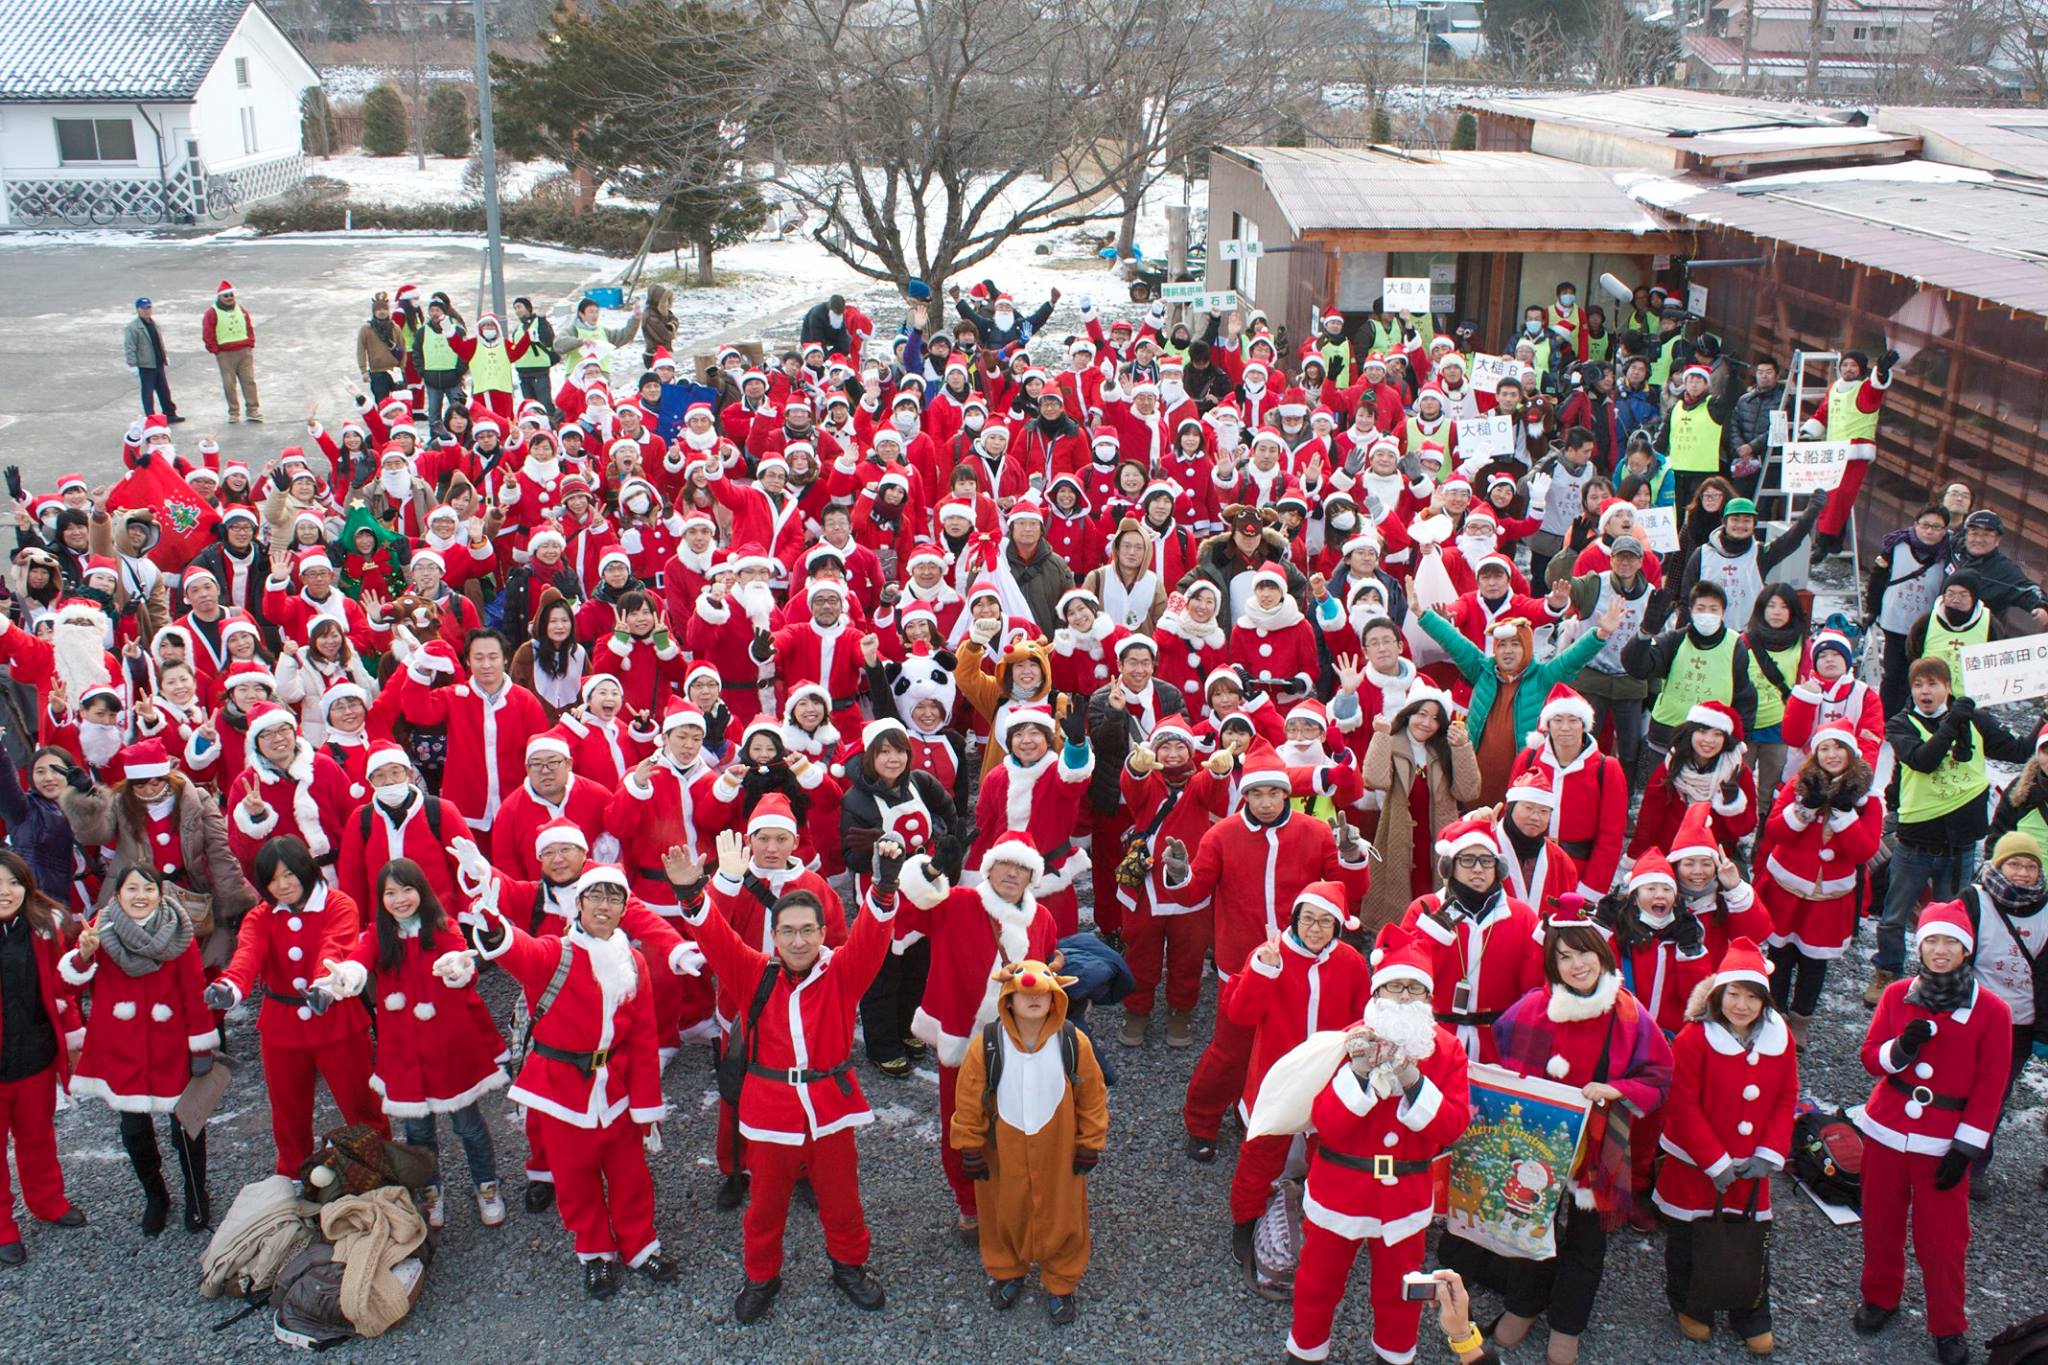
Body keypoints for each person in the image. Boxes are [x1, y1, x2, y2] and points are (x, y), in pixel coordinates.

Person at [669, 831, 901, 1323]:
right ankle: (761, 1275)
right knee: (765, 1206)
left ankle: (849, 1266)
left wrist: (883, 888)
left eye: (808, 930)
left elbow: (873, 935)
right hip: (769, 1108)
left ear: (822, 933)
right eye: (788, 931)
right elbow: (715, 937)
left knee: (841, 1198)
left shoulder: (842, 973)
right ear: (774, 937)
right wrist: (692, 893)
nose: (799, 941)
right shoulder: (755, 972)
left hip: (830, 1108)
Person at [1437, 908, 1673, 1365]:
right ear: (1552, 963)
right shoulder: (1532, 1008)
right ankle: (1524, 1305)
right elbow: (1503, 1058)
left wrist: (1618, 1089)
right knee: (1530, 1226)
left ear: (1602, 954)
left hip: (1599, 1147)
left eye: (1584, 952)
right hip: (1537, 1146)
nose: (1576, 964)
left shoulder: (1630, 1014)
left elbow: (1661, 1076)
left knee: (1587, 1239)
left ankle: (1568, 1324)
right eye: (1564, 956)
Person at [472, 860, 679, 1297]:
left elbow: (643, 1038)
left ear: (625, 908)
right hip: (561, 1092)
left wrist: (647, 1105)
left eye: (614, 898)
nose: (604, 906)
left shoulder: (634, 960)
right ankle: (595, 1253)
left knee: (631, 1175)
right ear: (578, 904)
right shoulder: (555, 952)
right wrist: (493, 927)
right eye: (595, 897)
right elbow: (516, 950)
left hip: (617, 1090)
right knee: (575, 1179)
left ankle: (640, 1245)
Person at [1272, 923, 1473, 1365]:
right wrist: (1359, 1074)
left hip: (1405, 1197)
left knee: (1402, 1291)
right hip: (1340, 1188)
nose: (1404, 997)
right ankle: (1305, 1352)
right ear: (1377, 994)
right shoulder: (1348, 1043)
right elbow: (1326, 1122)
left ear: (1429, 999)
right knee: (1317, 1282)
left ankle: (1395, 1356)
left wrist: (1412, 1080)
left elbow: (1451, 1127)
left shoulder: (1447, 1051)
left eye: (1414, 989)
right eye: (1395, 987)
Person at [1161, 751, 1371, 1161]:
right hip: (1242, 963)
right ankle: (1202, 1121)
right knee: (1230, 1049)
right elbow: (1194, 892)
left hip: (1303, 960)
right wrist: (1178, 873)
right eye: (1257, 793)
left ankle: (1267, 1114)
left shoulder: (1315, 832)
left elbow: (1348, 893)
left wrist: (1350, 856)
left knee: (1291, 1043)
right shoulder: (1221, 835)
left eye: (1275, 793)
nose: (1267, 802)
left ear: (1287, 794)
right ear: (1246, 795)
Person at [310, 859, 509, 1230]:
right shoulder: (376, 936)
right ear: (380, 899)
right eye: (390, 892)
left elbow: (458, 958)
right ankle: (431, 1192)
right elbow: (357, 961)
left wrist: (457, 968)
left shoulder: (443, 928)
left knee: (468, 1125)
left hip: (448, 1050)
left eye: (407, 889)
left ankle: (486, 1185)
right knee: (418, 1133)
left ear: (422, 891)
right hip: (404, 1053)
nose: (400, 899)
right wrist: (346, 977)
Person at [1854, 901, 2013, 1365]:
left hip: (1943, 1140)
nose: (1939, 951)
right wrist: (1901, 1048)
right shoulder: (1897, 994)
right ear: (1919, 946)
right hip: (1886, 1128)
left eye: (1950, 943)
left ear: (1966, 951)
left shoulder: (1992, 1011)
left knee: (1944, 1240)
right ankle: (1881, 1297)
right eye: (1931, 941)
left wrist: (1966, 1148)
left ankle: (1948, 1324)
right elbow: (1869, 1059)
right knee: (1880, 1223)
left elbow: (1991, 1088)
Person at [204, 837, 385, 1176]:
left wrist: (323, 985)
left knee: (361, 1104)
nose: (282, 885)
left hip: (336, 1019)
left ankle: (379, 1166)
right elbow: (247, 955)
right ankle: (294, 1174)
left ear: (306, 869)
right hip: (282, 1026)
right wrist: (230, 986)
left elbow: (336, 945)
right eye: (272, 879)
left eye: (289, 874)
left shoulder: (338, 904)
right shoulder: (260, 916)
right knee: (288, 1113)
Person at [948, 956, 1110, 1325]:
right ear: (1008, 1000)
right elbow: (969, 1098)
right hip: (1001, 1148)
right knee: (1003, 1209)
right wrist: (970, 1145)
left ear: (1056, 999)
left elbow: (1093, 1096)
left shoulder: (1074, 1042)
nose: (1034, 1000)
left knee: (1065, 1211)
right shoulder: (986, 1046)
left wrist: (1089, 1141)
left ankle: (1061, 1281)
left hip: (1059, 1146)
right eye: (1023, 995)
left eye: (1043, 995)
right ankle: (1007, 1270)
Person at [1656, 937, 1796, 1354]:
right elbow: (1682, 1104)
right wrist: (1714, 1160)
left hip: (1752, 1165)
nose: (1741, 1005)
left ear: (1764, 1001)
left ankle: (1750, 1311)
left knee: (1751, 1238)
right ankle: (1690, 1303)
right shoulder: (1694, 1039)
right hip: (1696, 1165)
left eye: (1752, 997)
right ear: (1719, 994)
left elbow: (1788, 1095)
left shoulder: (1779, 1037)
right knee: (1688, 1236)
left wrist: (1770, 1152)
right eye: (1734, 994)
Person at [60, 864, 214, 1235]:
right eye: (132, 889)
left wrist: (201, 1045)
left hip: (170, 1044)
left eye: (148, 888)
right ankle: (155, 1196)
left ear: (161, 894)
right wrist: (83, 956)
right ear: (118, 895)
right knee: (133, 1129)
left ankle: (197, 1194)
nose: (140, 896)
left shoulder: (179, 931)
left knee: (187, 1126)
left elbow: (194, 991)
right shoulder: (100, 930)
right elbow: (68, 982)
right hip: (122, 1046)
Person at [1870, 658, 2032, 1002]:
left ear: (1947, 686)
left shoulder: (1972, 718)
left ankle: (1938, 980)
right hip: (1915, 841)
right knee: (1894, 914)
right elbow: (1924, 760)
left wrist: (2044, 720)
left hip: (1960, 844)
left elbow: (2019, 751)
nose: (1925, 691)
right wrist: (1953, 722)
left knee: (1951, 919)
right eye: (1918, 685)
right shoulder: (1901, 722)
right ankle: (1887, 973)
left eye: (1932, 683)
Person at [60, 738, 257, 964]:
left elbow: (219, 851)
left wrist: (232, 899)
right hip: (136, 892)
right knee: (138, 954)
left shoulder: (196, 799)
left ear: (167, 778)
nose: (148, 791)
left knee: (191, 955)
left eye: (156, 783)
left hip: (188, 889)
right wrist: (87, 798)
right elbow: (96, 835)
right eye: (140, 786)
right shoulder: (120, 802)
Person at [840, 719, 964, 1077]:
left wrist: (946, 843)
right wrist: (880, 849)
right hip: (884, 895)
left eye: (899, 751)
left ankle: (909, 1028)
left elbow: (949, 810)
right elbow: (850, 858)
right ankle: (883, 1044)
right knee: (882, 972)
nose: (893, 759)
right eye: (884, 752)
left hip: (924, 891)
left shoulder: (922, 783)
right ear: (870, 756)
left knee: (917, 966)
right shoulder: (856, 799)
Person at [1756, 721, 1881, 1048]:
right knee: (1779, 954)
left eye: (1839, 747)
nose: (1832, 754)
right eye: (1825, 748)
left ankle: (1801, 1019)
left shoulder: (1867, 799)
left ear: (1851, 753)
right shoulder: (1799, 785)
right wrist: (1805, 809)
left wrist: (1844, 816)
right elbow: (1776, 832)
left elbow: (1863, 851)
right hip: (1787, 888)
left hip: (1829, 897)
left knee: (1814, 962)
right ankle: (1774, 1012)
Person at [0, 849, 84, 1265]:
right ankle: (2, 1227)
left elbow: (61, 988)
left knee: (37, 1135)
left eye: (13, 882)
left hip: (33, 1054)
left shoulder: (43, 928)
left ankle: (48, 1201)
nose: (6, 892)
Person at [1951, 831, 2047, 1189]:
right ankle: (1941, 1148)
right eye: (2014, 864)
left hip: (2018, 1023)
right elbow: (1953, 954)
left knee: (1994, 1093)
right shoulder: (1974, 899)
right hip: (1971, 1013)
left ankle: (1975, 1163)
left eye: (2030, 866)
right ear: (1998, 864)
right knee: (1955, 1083)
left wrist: (2043, 1032)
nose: (2022, 873)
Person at [1359, 687, 1479, 929]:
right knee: (1399, 907)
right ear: (1409, 713)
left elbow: (1468, 792)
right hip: (1398, 837)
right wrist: (1381, 736)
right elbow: (1374, 779)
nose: (1427, 723)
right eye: (1422, 714)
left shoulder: (1445, 749)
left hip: (1441, 839)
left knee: (1439, 904)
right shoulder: (1393, 743)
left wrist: (1462, 749)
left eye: (1435, 718)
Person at [1867, 505, 1954, 717]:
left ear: (1945, 530)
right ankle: (1885, 717)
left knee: (1916, 674)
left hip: (1924, 626)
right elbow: (1877, 578)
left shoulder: (1948, 555)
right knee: (1892, 672)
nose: (1930, 531)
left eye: (1936, 527)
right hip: (1894, 620)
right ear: (1915, 525)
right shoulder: (1896, 546)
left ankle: (1908, 717)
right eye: (1925, 525)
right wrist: (1872, 609)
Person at [200, 280, 259, 423]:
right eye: (225, 295)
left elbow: (249, 327)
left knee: (249, 381)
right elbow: (208, 333)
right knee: (229, 384)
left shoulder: (241, 309)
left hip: (244, 351)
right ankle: (234, 412)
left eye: (231, 294)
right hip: (225, 354)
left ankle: (253, 410)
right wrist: (215, 350)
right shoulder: (212, 312)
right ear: (219, 297)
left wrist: (250, 343)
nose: (229, 298)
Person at [125, 297, 180, 422]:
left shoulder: (154, 323)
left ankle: (169, 413)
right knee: (148, 393)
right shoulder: (133, 328)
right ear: (138, 310)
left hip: (158, 363)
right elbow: (130, 347)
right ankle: (151, 417)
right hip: (146, 365)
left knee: (164, 390)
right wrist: (132, 365)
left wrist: (164, 356)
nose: (146, 311)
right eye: (143, 308)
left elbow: (159, 342)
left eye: (148, 308)